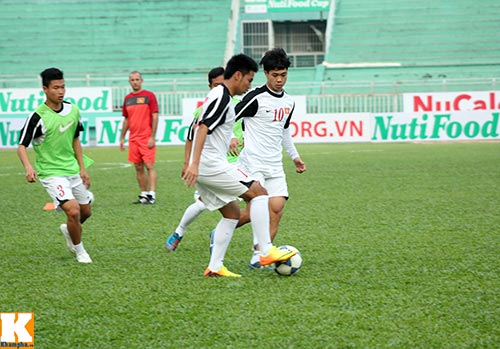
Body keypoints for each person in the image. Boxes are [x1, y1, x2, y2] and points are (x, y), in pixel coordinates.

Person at [182, 54, 296, 277]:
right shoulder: (222, 97)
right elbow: (203, 127)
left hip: (207, 167)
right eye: (249, 80)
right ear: (237, 76)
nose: (250, 85)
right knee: (260, 194)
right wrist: (194, 164)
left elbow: (197, 126)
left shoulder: (218, 95)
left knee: (232, 214)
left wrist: (191, 163)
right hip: (212, 165)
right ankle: (265, 251)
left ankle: (215, 267)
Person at [234, 48, 307, 269]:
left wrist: (294, 157)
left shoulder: (289, 102)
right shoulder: (255, 97)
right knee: (260, 204)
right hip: (253, 162)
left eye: (283, 75)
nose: (279, 80)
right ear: (266, 73)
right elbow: (231, 115)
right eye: (275, 75)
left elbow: (284, 131)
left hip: (275, 164)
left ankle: (260, 254)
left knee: (276, 208)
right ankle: (232, 237)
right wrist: (229, 136)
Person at [17, 67, 94, 264]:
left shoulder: (73, 110)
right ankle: (80, 251)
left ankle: (69, 230)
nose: (60, 91)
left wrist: (82, 168)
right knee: (73, 210)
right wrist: (28, 167)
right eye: (56, 88)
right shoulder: (37, 117)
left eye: (63, 87)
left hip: (72, 169)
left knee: (86, 212)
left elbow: (75, 139)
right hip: (51, 173)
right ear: (45, 89)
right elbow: (21, 146)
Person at [165, 67, 243, 251]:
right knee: (202, 204)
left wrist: (241, 139)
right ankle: (179, 232)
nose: (221, 87)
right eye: (216, 84)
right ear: (210, 86)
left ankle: (257, 250)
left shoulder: (238, 103)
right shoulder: (204, 109)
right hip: (212, 166)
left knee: (255, 202)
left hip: (236, 164)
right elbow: (191, 135)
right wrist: (188, 163)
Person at [120, 71, 159, 204]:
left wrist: (152, 136)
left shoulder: (149, 96)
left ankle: (152, 194)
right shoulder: (127, 99)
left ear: (141, 81)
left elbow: (155, 116)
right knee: (138, 167)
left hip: (146, 137)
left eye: (137, 79)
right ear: (129, 82)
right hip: (133, 139)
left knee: (149, 165)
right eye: (132, 80)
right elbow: (126, 119)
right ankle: (144, 194)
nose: (135, 82)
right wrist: (122, 138)